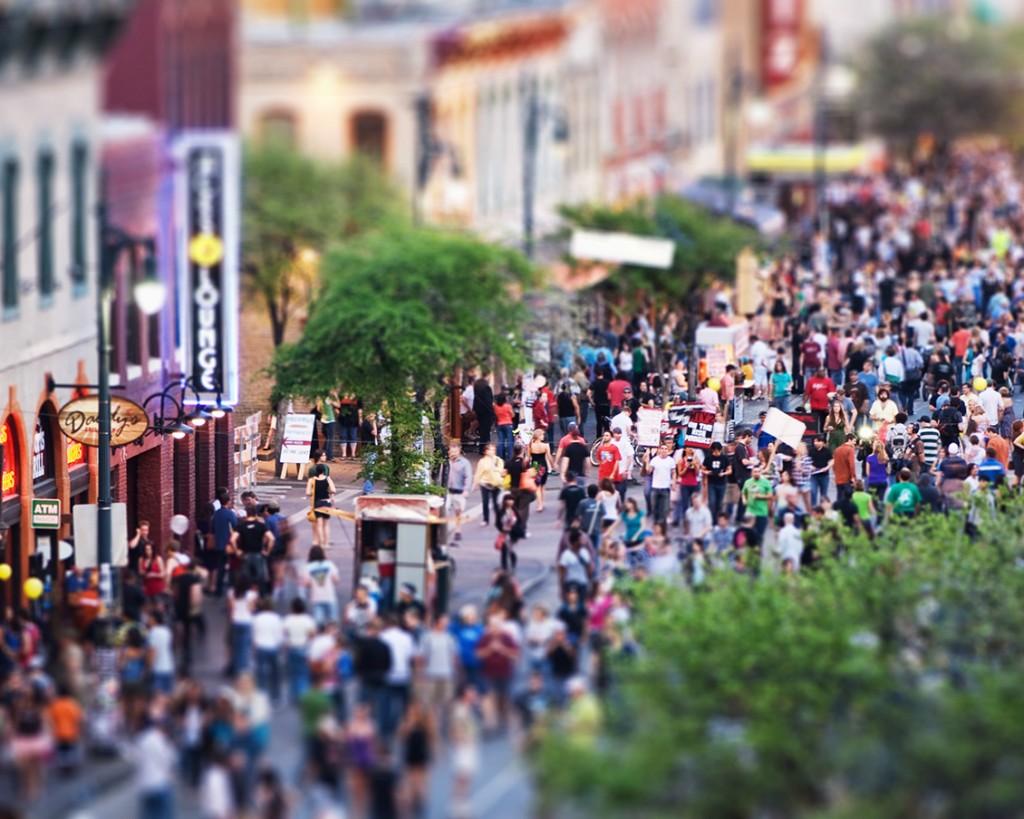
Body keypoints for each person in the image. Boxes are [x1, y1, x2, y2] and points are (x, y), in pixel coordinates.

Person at [450, 685, 481, 819]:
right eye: (471, 692)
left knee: (468, 776)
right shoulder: (459, 709)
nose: (473, 694)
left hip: (471, 746)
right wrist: (463, 741)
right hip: (463, 747)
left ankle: (464, 803)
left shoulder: (470, 708)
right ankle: (456, 805)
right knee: (462, 776)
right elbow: (455, 729)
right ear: (464, 694)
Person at [302, 545, 340, 627]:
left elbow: (306, 583)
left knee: (319, 624)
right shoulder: (330, 565)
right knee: (333, 622)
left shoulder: (308, 567)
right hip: (330, 596)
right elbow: (336, 580)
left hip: (316, 598)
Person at [644, 443, 676, 527]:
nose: (664, 450)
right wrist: (646, 462)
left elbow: (673, 473)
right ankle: (656, 524)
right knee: (655, 507)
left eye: (666, 449)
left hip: (665, 487)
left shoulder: (671, 460)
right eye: (662, 448)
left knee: (665, 508)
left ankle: (663, 525)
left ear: (668, 451)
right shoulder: (655, 460)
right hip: (655, 487)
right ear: (659, 450)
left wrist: (674, 483)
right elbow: (649, 471)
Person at [446, 445, 474, 541]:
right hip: (447, 491)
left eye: (455, 451)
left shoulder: (464, 463)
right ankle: (445, 530)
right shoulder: (446, 462)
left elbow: (468, 476)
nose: (453, 453)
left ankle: (458, 530)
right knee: (445, 511)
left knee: (458, 512)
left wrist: (466, 490)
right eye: (452, 451)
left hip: (459, 491)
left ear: (459, 451)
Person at [306, 463, 336, 548]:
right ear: (324, 471)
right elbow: (333, 489)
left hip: (317, 503)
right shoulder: (327, 479)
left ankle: (321, 543)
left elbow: (308, 493)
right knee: (326, 524)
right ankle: (326, 543)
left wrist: (313, 492)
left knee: (319, 524)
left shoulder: (311, 480)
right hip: (326, 502)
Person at [741, 465, 774, 544]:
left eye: (758, 471)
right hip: (750, 511)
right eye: (755, 472)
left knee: (760, 535)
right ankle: (749, 551)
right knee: (748, 533)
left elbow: (770, 496)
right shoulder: (748, 482)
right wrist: (744, 500)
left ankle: (758, 551)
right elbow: (743, 493)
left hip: (762, 512)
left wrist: (761, 496)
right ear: (752, 473)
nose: (756, 473)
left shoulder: (765, 482)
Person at [528, 429, 556, 513]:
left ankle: (539, 504)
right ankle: (541, 503)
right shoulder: (545, 446)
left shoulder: (531, 445)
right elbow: (549, 457)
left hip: (535, 466)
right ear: (539, 436)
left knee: (537, 486)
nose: (543, 436)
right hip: (544, 466)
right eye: (542, 435)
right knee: (542, 485)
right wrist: (553, 465)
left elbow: (528, 458)